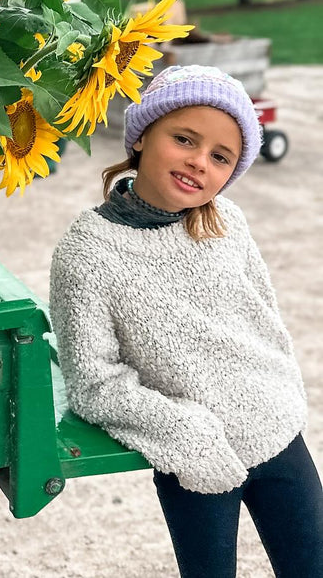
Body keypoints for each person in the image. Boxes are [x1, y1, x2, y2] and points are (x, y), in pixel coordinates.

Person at [49, 64, 323, 578]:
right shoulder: (86, 253)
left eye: (221, 157)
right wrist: (184, 433)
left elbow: (265, 319)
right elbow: (93, 382)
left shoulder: (228, 222)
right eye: (184, 139)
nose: (199, 161)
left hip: (278, 434)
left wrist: (283, 391)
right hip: (194, 458)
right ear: (142, 135)